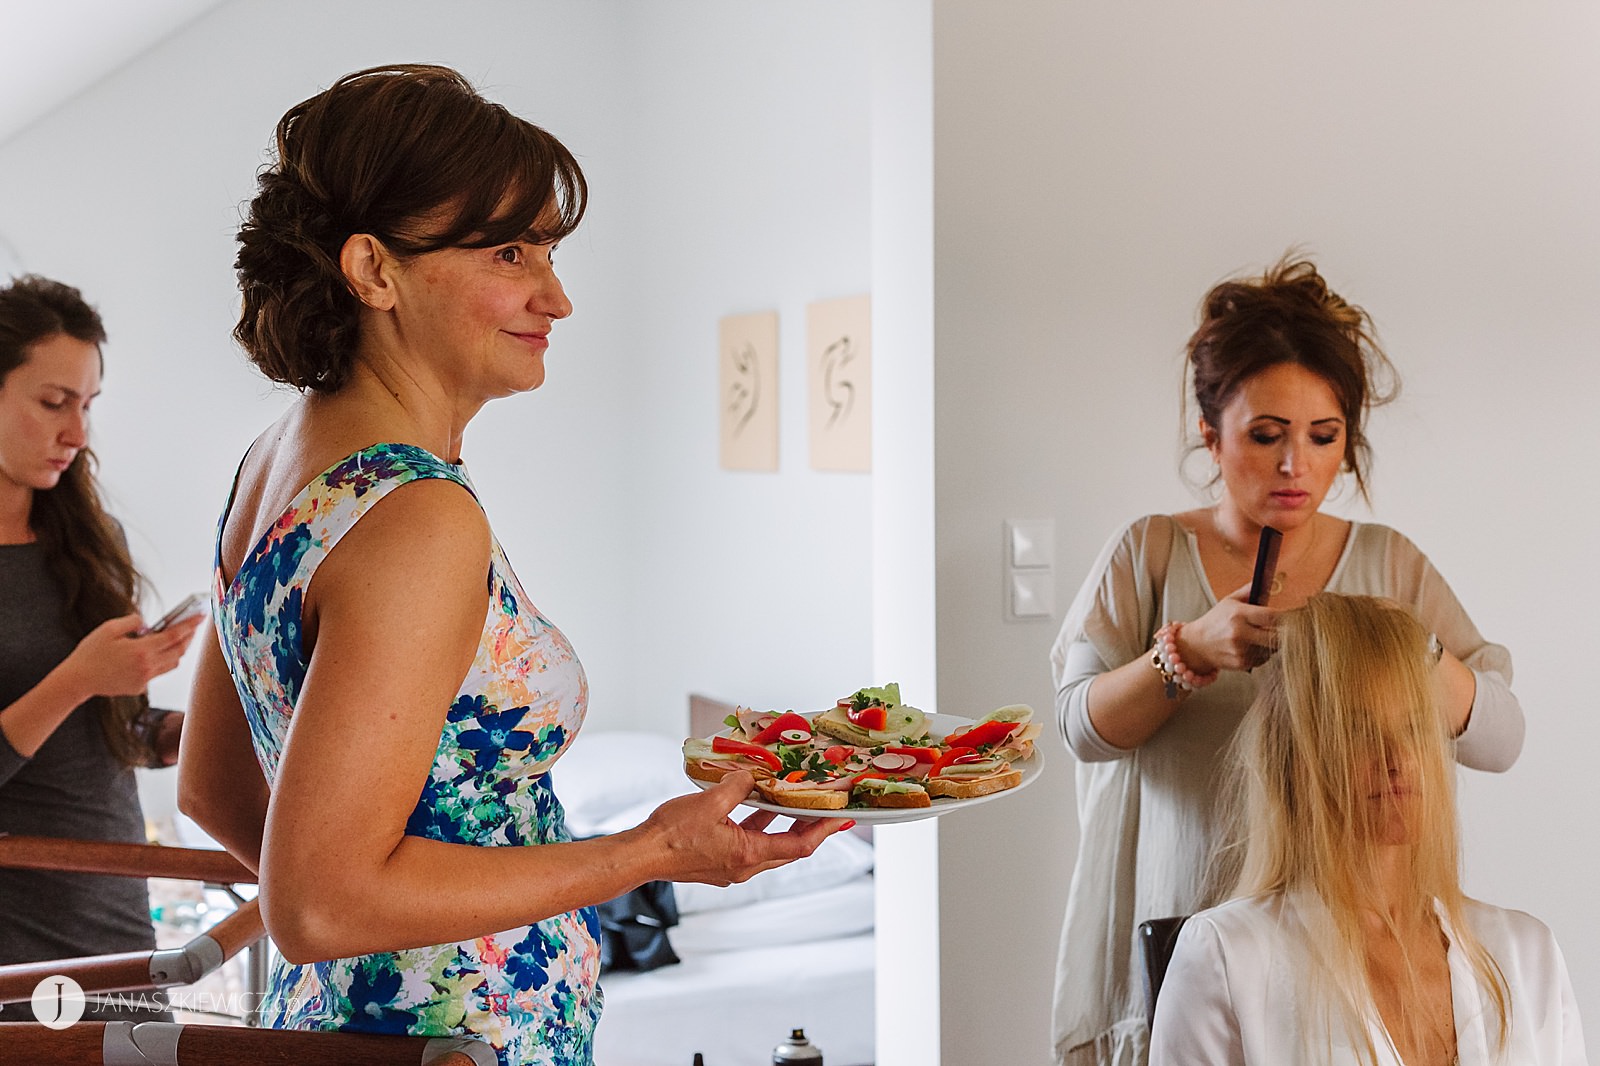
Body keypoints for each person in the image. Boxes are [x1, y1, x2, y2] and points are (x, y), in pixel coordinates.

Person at [176, 65, 844, 1066]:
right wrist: (654, 851)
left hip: (348, 1023)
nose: (556, 296)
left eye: (547, 249)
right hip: (460, 1040)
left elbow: (216, 788)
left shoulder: (279, 466)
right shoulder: (414, 517)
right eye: (509, 251)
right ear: (373, 270)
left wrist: (376, 913)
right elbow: (316, 901)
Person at [1049, 258, 1526, 1066]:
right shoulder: (1151, 553)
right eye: (1265, 436)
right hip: (1180, 924)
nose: (1294, 466)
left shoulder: (1390, 567)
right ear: (1211, 432)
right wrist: (1185, 652)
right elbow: (1078, 727)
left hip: (1346, 952)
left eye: (1324, 437)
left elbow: (1500, 739)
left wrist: (1407, 645)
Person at [1149, 593, 1584, 1065]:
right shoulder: (1225, 956)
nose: (1397, 759)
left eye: (1415, 727)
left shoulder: (1526, 953)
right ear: (1294, 762)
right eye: (1360, 731)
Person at [0, 275, 203, 1020]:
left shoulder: (88, 542)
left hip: (118, 921)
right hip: (15, 943)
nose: (77, 433)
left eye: (86, 406)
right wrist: (79, 678)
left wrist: (190, 730)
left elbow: (116, 740)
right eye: (54, 403)